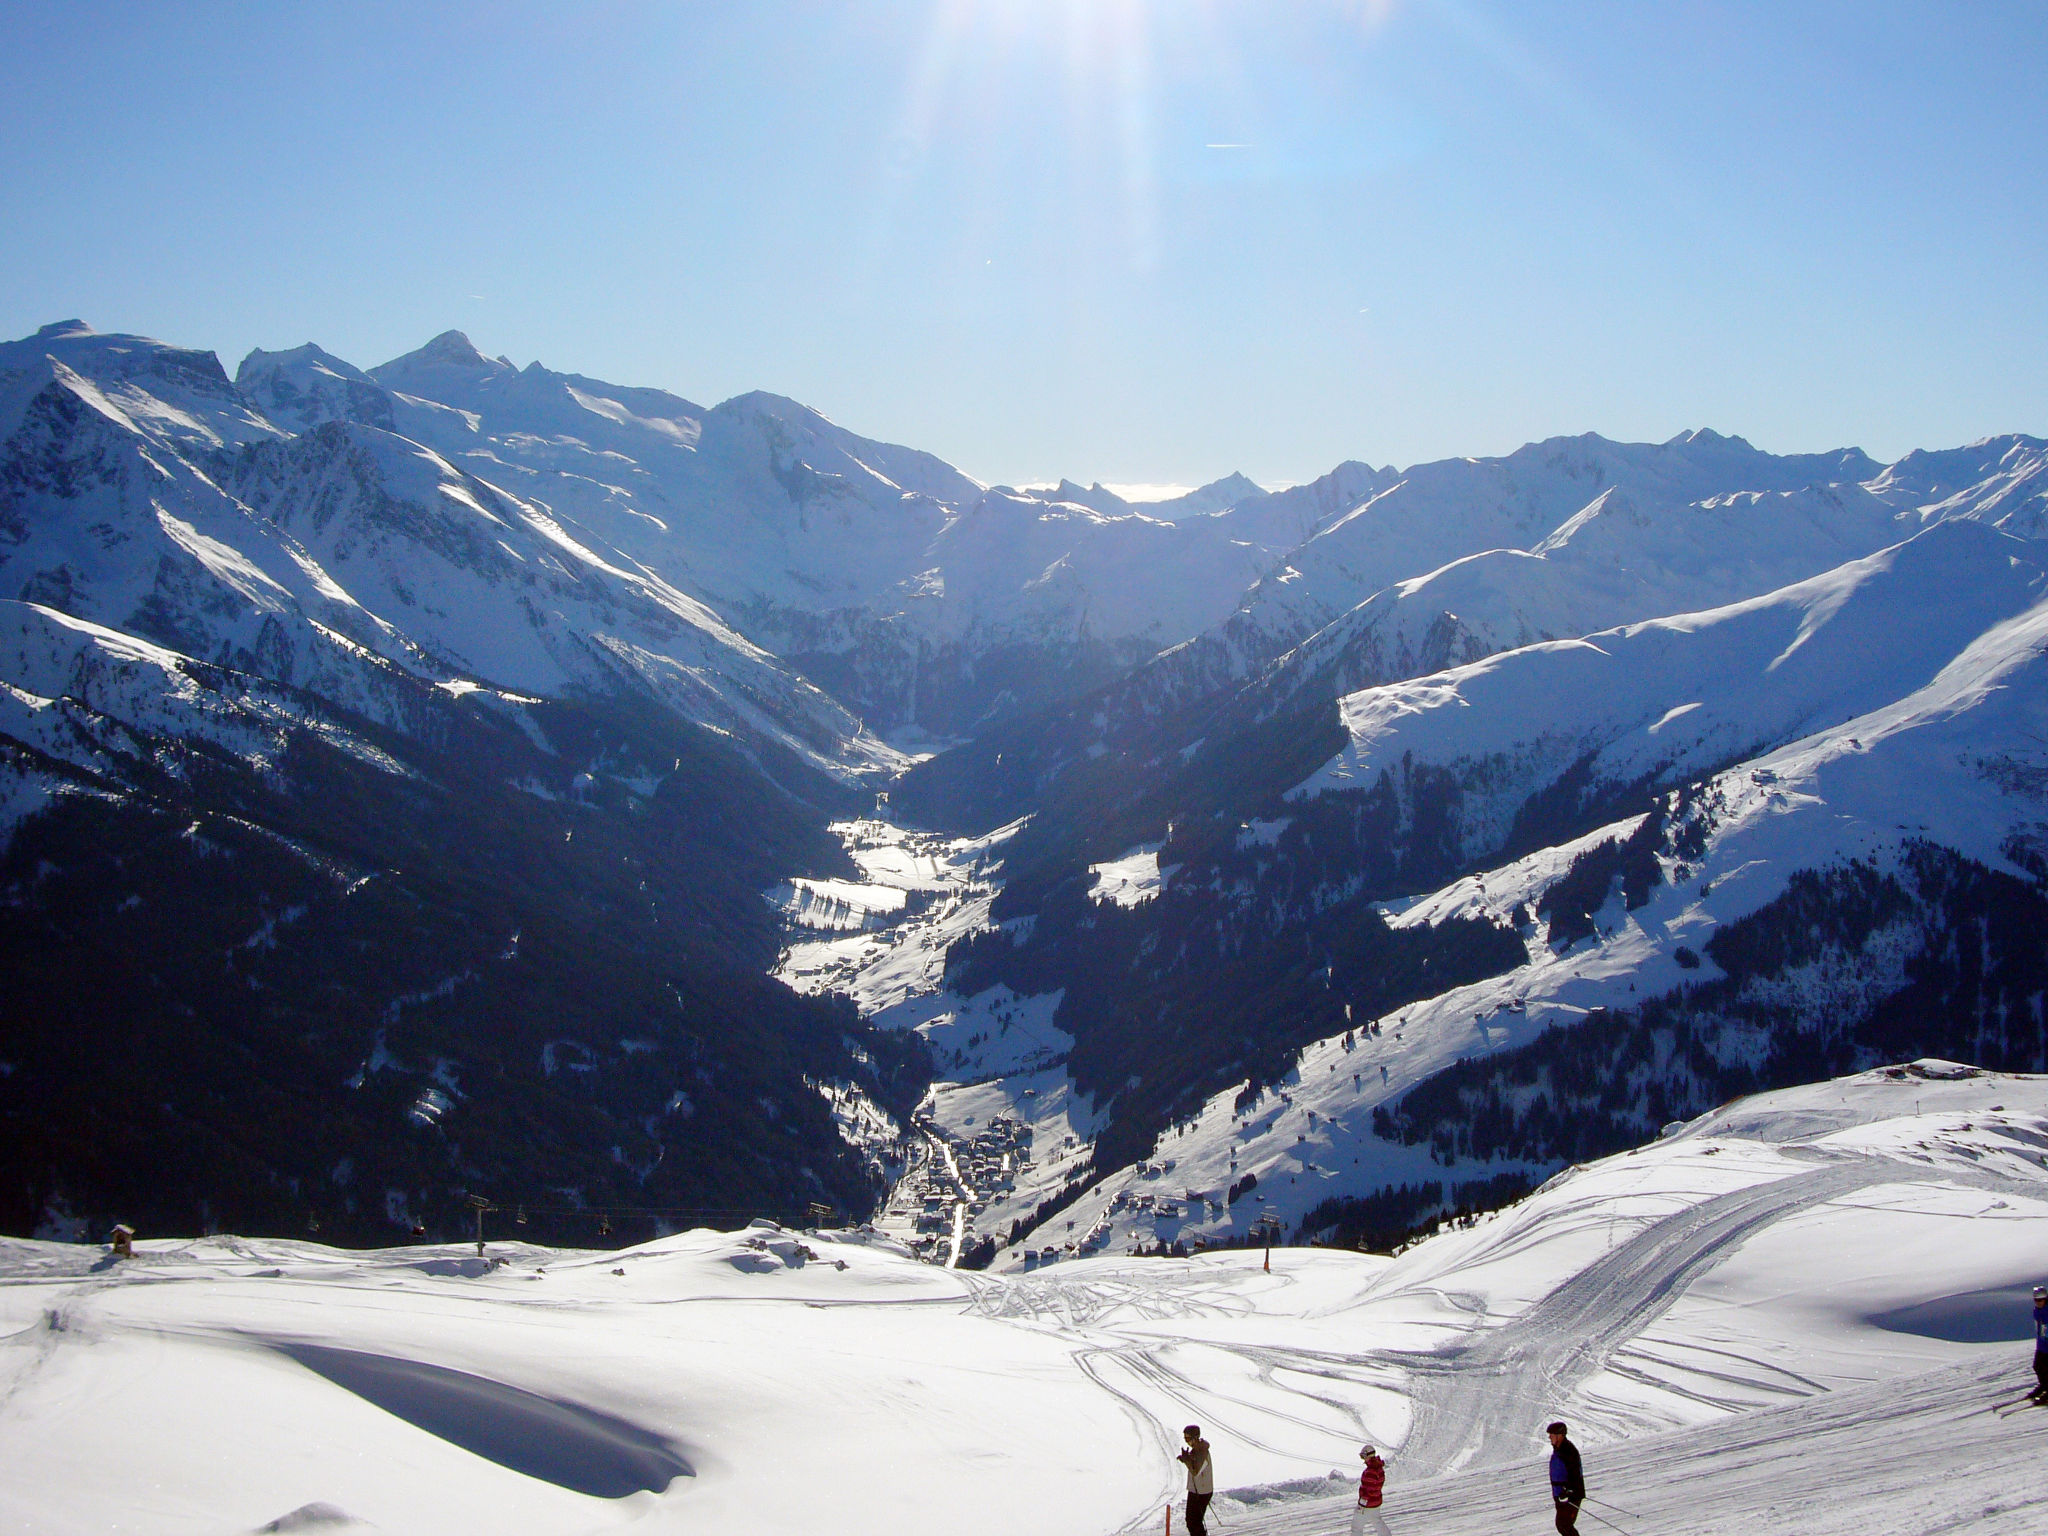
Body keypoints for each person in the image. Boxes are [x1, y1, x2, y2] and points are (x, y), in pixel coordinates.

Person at [1545, 1422, 1584, 1534]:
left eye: (1551, 1434)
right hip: (1561, 1495)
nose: (1549, 1437)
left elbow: (1575, 1473)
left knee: (1564, 1525)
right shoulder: (1559, 1450)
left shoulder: (1568, 1450)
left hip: (1570, 1496)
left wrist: (1569, 1491)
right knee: (1562, 1525)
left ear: (1559, 1435)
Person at [1176, 1425, 1213, 1536]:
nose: (1187, 1441)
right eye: (1185, 1439)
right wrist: (1186, 1458)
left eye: (1188, 1438)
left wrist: (1187, 1460)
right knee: (1191, 1521)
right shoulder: (1196, 1449)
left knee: (1194, 1522)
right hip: (1195, 1490)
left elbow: (1196, 1471)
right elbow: (1193, 1465)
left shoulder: (1202, 1451)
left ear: (1195, 1437)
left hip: (1202, 1492)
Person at [1349, 1443, 1390, 1536]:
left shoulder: (1370, 1471)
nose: (1363, 1460)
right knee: (1377, 1522)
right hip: (1376, 1502)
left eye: (1363, 1456)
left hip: (1367, 1504)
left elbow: (1370, 1489)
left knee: (1356, 1527)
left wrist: (1362, 1503)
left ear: (1368, 1455)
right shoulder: (1379, 1468)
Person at [2032, 1285, 2048, 1401]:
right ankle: (2044, 1385)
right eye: (2036, 1300)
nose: (2038, 1302)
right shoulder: (2037, 1311)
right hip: (2042, 1345)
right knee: (2037, 1366)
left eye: (2040, 1300)